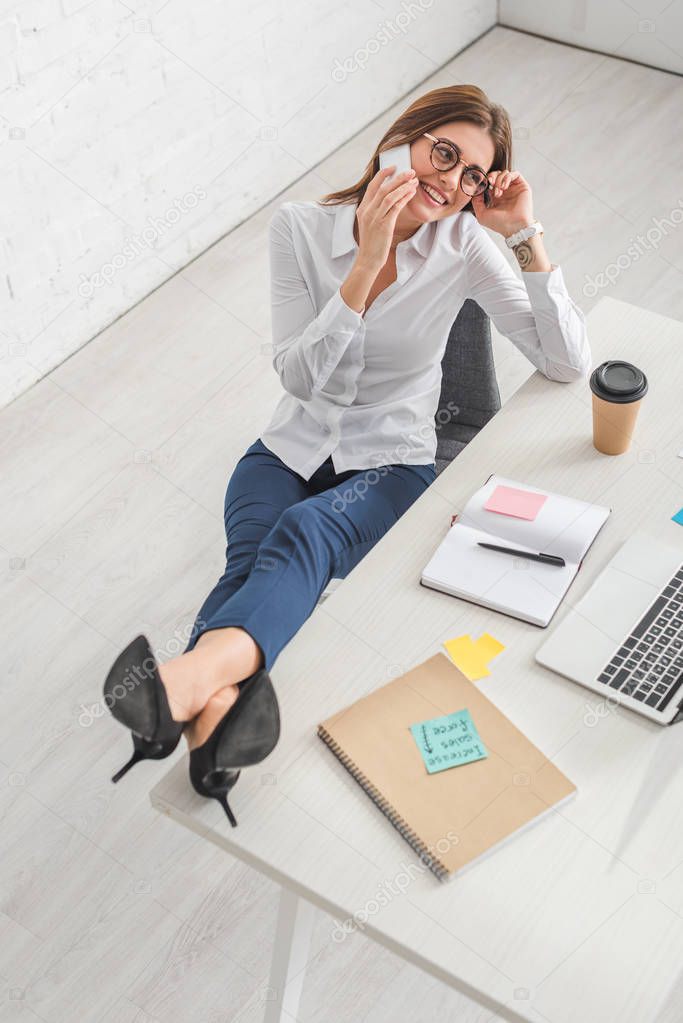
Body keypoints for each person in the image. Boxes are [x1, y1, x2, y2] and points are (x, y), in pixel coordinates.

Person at [102, 84, 591, 823]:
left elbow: (563, 363)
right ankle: (213, 731)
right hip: (285, 450)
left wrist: (523, 234)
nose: (450, 181)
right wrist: (364, 264)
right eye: (444, 153)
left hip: (391, 462)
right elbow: (299, 378)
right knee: (253, 562)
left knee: (303, 536)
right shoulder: (299, 228)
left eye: (471, 175)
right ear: (401, 140)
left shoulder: (464, 247)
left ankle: (175, 685)